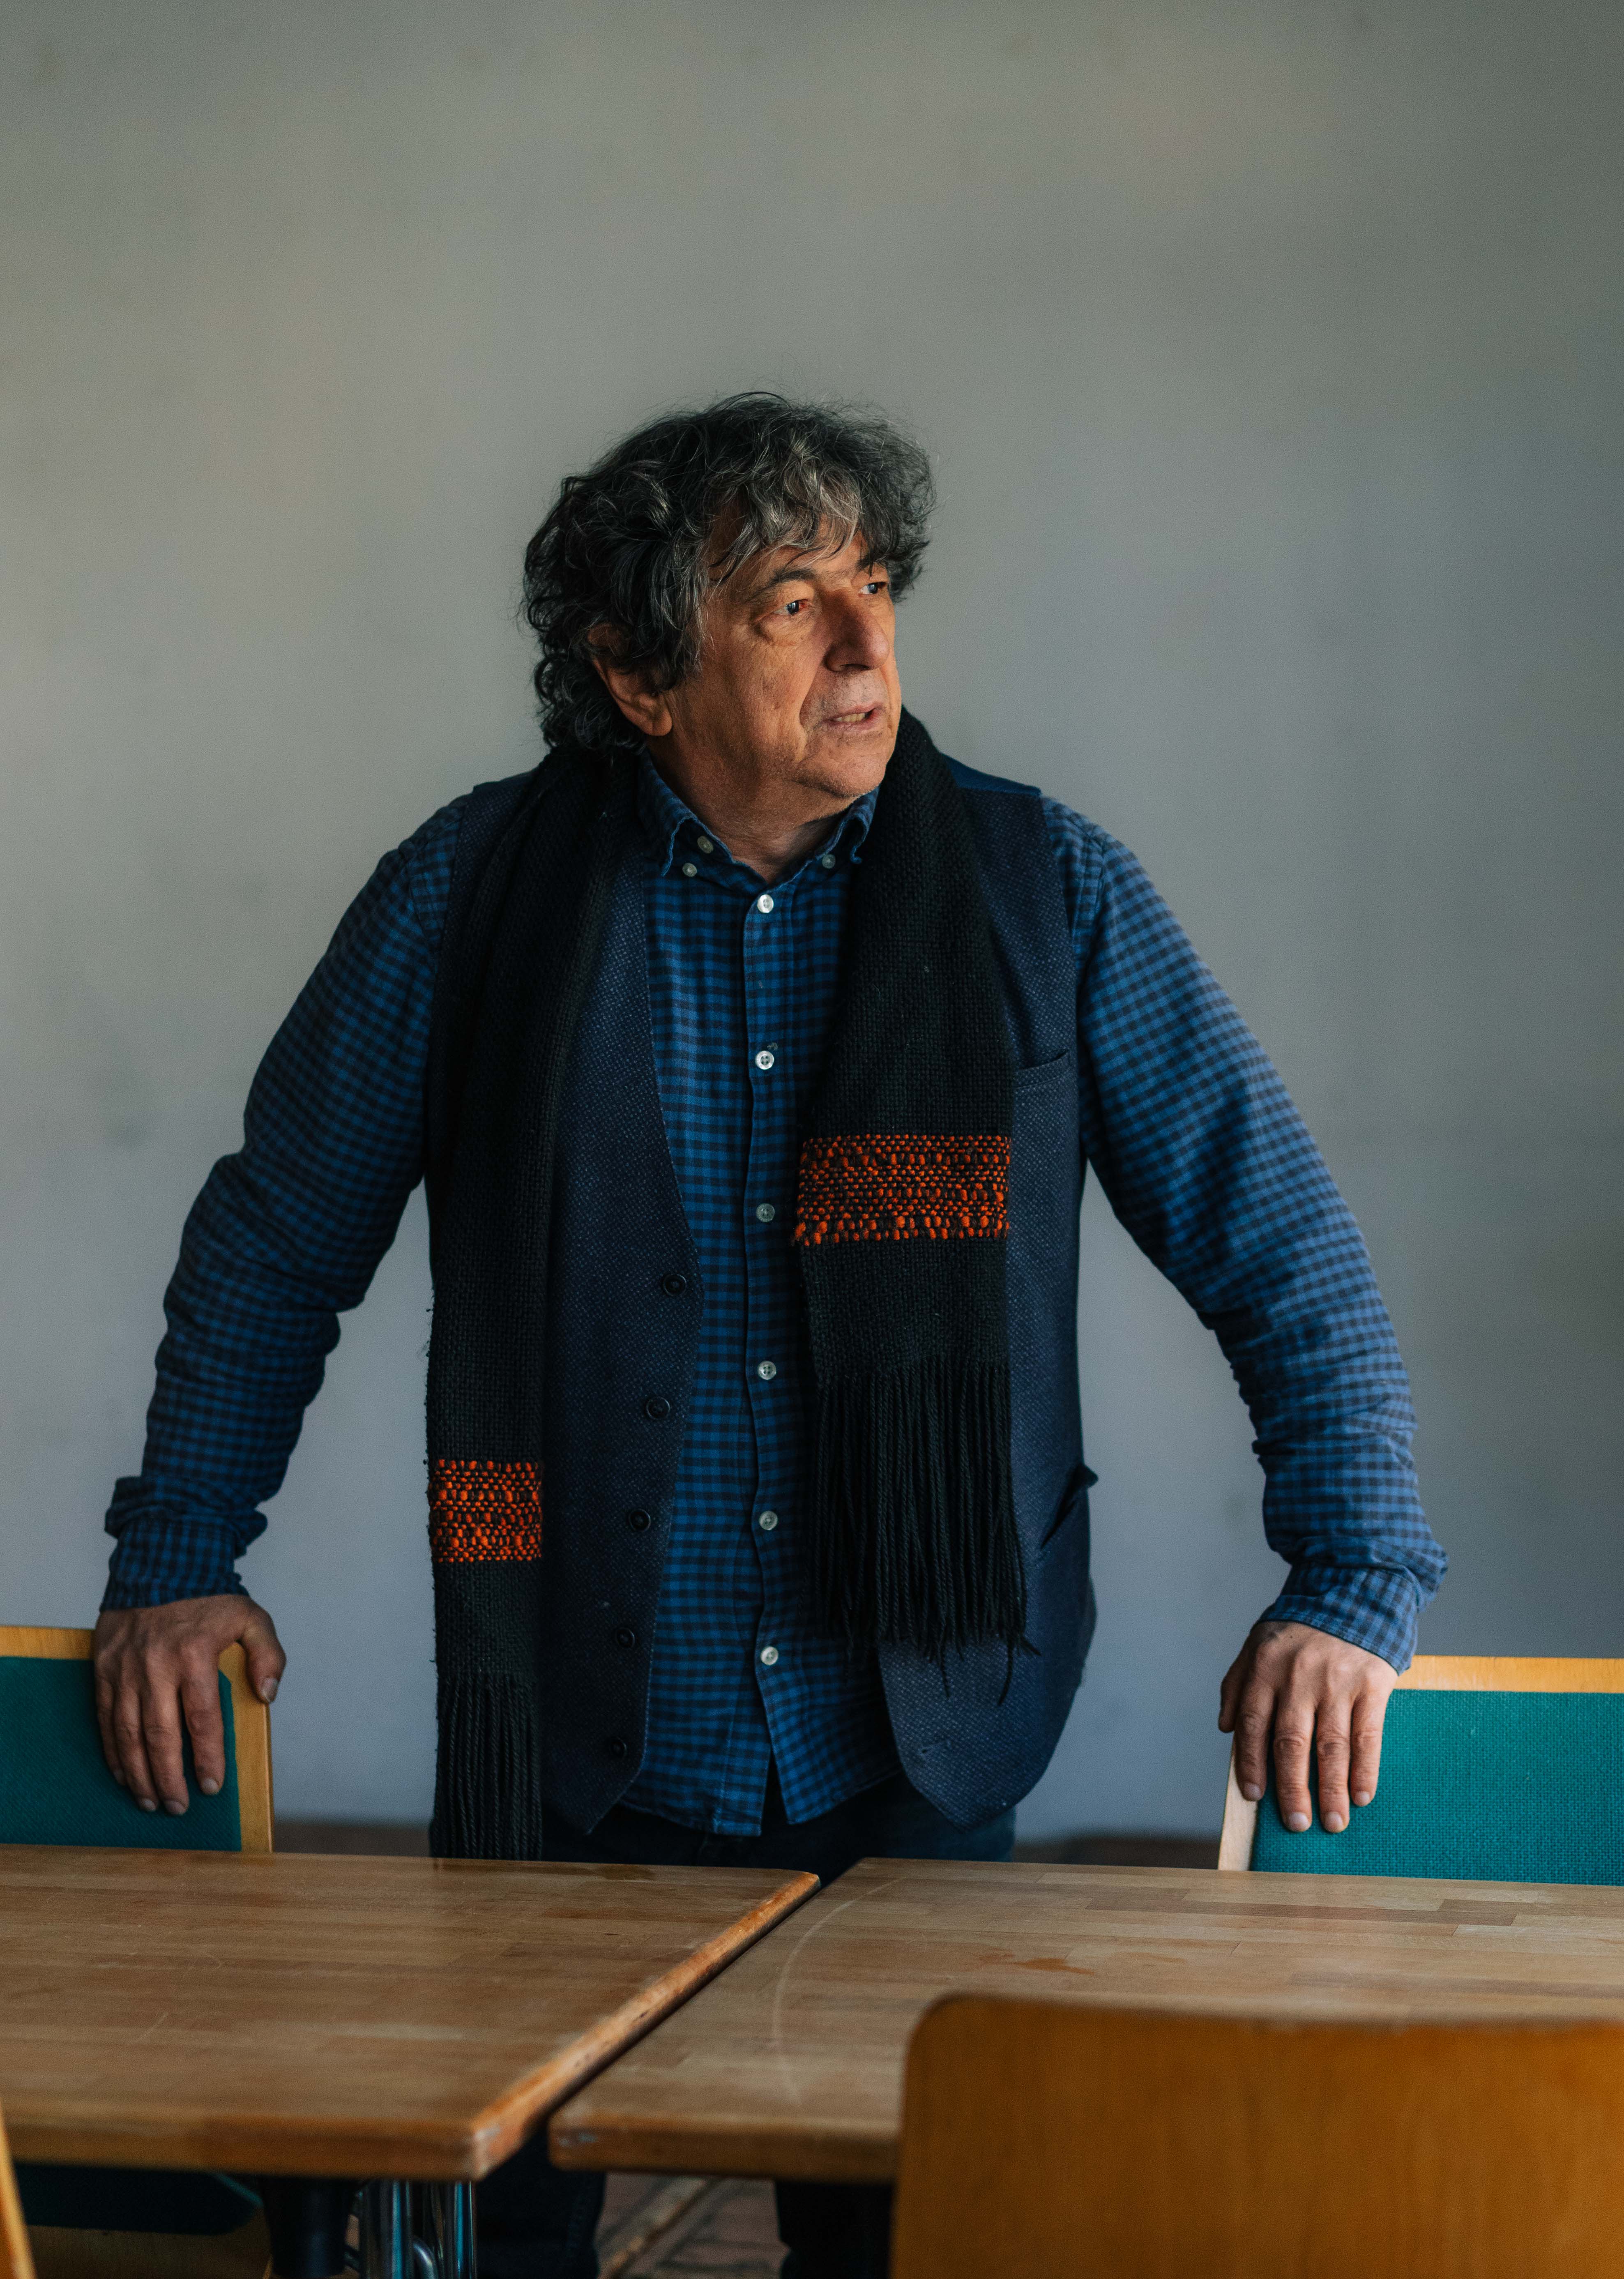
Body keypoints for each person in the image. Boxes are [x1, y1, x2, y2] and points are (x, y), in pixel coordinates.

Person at [91, 393, 1445, 2278]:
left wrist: (1353, 1577)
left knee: (904, 2249)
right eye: (792, 605)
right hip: (565, 1729)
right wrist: (175, 1561)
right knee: (496, 2249)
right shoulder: (465, 898)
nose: (869, 649)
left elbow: (1275, 1236)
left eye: (878, 587)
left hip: (921, 1724)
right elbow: (270, 1244)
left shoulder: (1041, 888)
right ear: (637, 672)